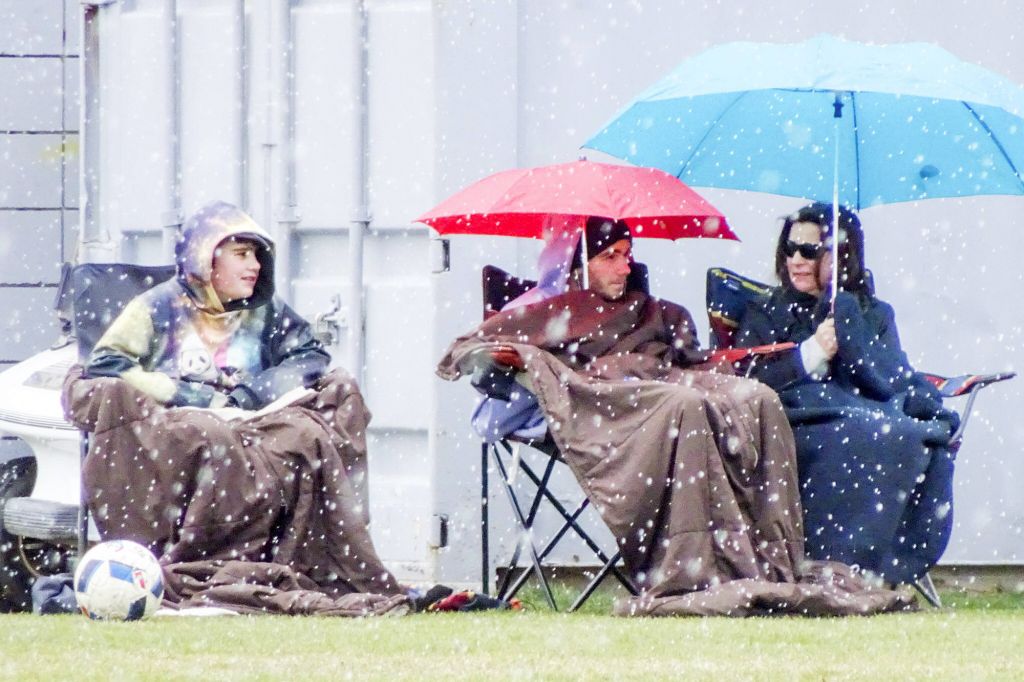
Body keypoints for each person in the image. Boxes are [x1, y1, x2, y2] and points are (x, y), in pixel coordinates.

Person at [439, 216, 911, 616]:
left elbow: (689, 360)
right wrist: (525, 363)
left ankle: (769, 560)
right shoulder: (552, 311)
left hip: (667, 385)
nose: (626, 265)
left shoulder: (651, 309)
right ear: (580, 262)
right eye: (611, 256)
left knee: (757, 398)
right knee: (683, 405)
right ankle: (692, 566)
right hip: (609, 408)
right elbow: (474, 347)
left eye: (628, 253)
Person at [63, 201, 408, 616]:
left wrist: (252, 394)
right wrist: (186, 396)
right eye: (241, 254)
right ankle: (208, 561)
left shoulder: (264, 312)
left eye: (258, 255)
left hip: (253, 426)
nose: (255, 266)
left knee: (306, 435)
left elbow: (310, 355)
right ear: (205, 259)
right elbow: (106, 366)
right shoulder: (157, 307)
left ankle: (301, 561)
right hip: (179, 432)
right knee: (209, 433)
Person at [735, 202, 960, 586]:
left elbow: (892, 377)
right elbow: (746, 382)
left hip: (870, 414)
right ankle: (839, 568)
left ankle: (875, 567)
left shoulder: (874, 313)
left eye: (809, 250)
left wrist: (849, 326)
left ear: (840, 255)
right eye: (790, 248)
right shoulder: (766, 311)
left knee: (910, 437)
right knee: (866, 434)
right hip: (795, 423)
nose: (796, 260)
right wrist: (811, 354)